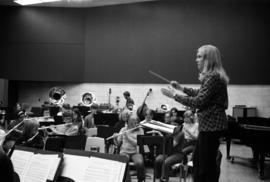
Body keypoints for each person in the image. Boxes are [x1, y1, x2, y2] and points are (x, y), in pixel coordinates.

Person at [161, 45, 229, 182]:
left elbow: (199, 101)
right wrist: (180, 88)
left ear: (208, 59)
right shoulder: (213, 77)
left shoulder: (213, 77)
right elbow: (200, 93)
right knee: (200, 163)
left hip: (211, 127)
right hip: (210, 127)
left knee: (204, 167)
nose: (196, 60)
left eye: (199, 56)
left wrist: (174, 95)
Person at [114, 114, 145, 182]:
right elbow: (118, 144)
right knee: (125, 161)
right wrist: (115, 138)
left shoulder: (140, 130)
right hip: (124, 151)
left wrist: (128, 137)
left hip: (135, 152)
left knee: (140, 163)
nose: (136, 124)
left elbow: (138, 143)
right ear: (129, 123)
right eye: (134, 122)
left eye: (137, 122)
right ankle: (127, 180)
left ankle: (140, 180)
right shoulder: (123, 129)